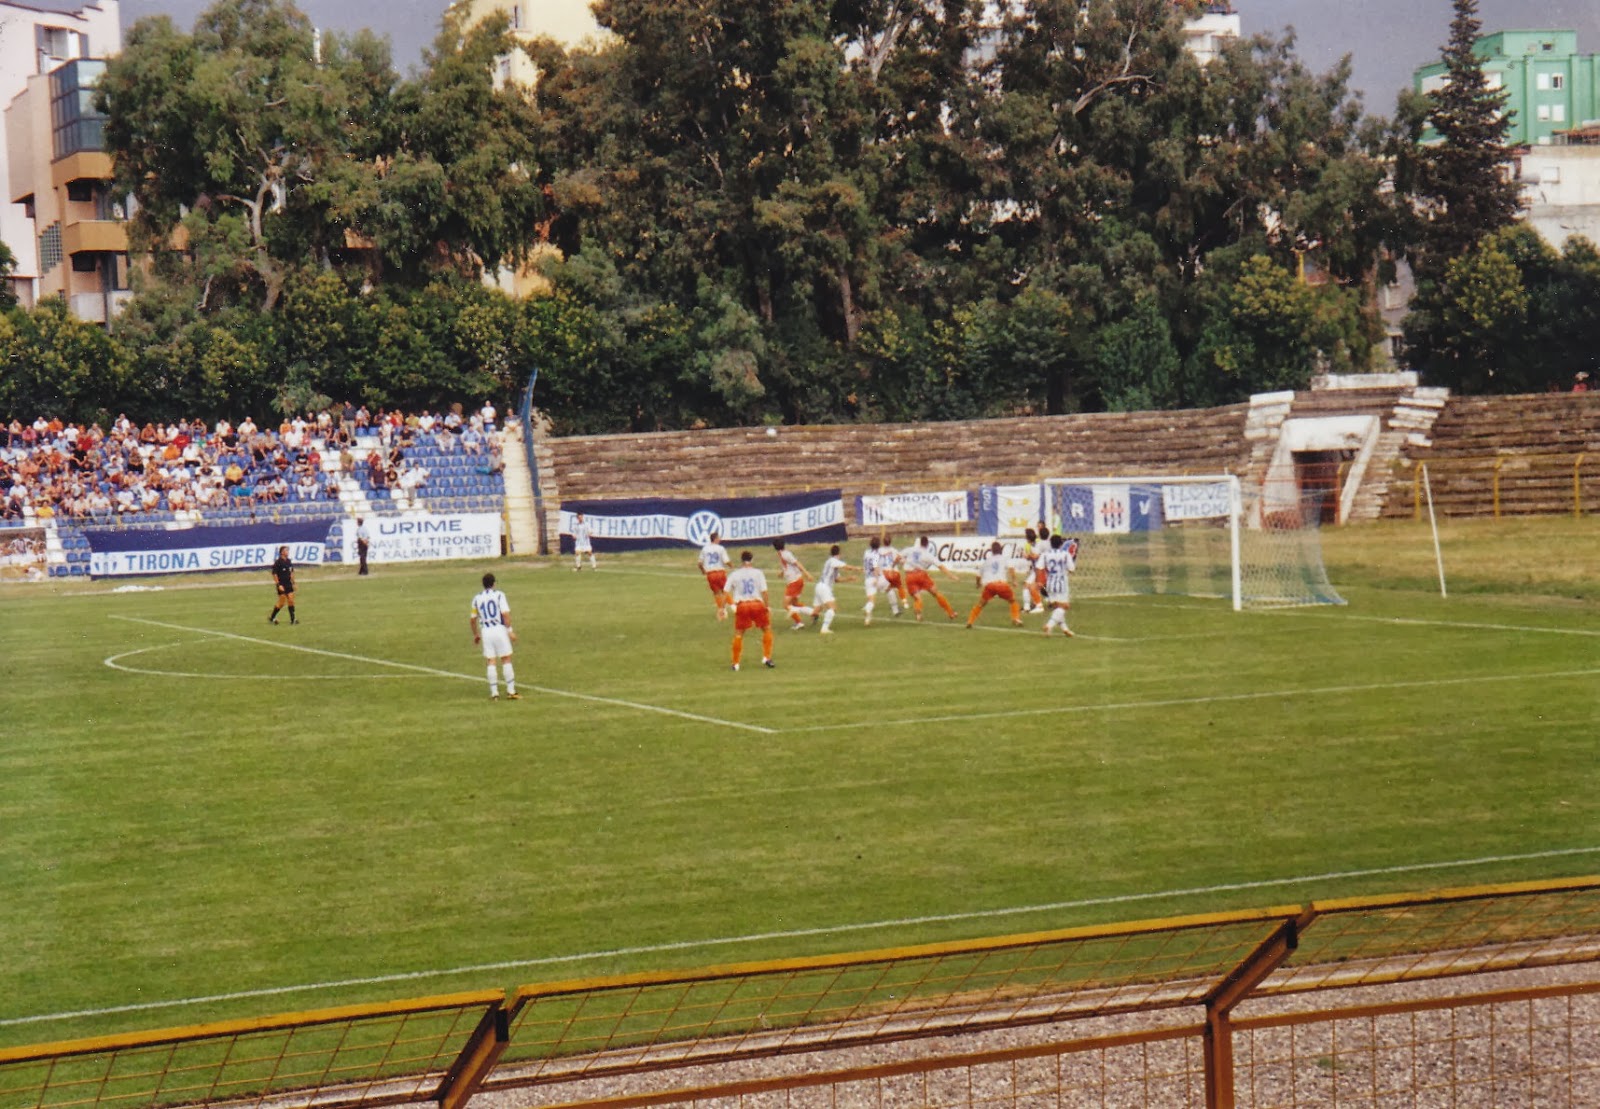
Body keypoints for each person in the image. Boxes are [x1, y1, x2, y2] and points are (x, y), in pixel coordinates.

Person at [470, 571, 519, 700]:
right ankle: (511, 691)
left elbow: (472, 619)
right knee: (506, 658)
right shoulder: (499, 595)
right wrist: (510, 630)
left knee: (491, 660)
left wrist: (476, 634)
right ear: (494, 583)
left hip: (486, 631)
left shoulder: (477, 598)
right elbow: (505, 614)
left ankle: (494, 693)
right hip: (499, 629)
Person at [725, 550, 775, 670]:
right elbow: (764, 591)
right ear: (752, 560)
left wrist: (722, 608)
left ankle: (736, 663)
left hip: (742, 605)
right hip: (757, 604)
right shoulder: (758, 573)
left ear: (741, 561)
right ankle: (767, 657)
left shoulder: (735, 574)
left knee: (739, 634)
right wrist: (767, 606)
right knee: (766, 629)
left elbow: (725, 591)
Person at [966, 540, 1023, 628]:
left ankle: (970, 621)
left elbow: (978, 575)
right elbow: (1011, 569)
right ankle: (1016, 619)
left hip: (990, 586)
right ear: (1001, 550)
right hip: (1002, 585)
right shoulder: (1004, 559)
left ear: (992, 551)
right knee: (1012, 601)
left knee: (981, 603)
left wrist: (978, 584)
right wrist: (1014, 581)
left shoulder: (987, 561)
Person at [903, 535, 958, 621]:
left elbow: (899, 556)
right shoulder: (928, 554)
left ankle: (918, 613)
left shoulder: (911, 549)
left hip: (909, 575)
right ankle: (950, 613)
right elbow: (940, 566)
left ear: (920, 543)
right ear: (927, 545)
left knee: (917, 597)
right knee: (935, 593)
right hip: (921, 575)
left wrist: (898, 563)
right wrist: (951, 575)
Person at [811, 544, 856, 634]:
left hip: (819, 586)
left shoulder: (829, 562)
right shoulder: (834, 561)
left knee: (816, 611)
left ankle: (798, 611)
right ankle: (824, 629)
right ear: (839, 553)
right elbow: (847, 567)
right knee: (832, 608)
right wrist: (857, 568)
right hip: (824, 587)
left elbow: (836, 579)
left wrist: (849, 578)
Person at [1041, 534, 1079, 637]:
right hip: (1061, 584)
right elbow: (1072, 569)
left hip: (1050, 583)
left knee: (1057, 608)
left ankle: (1065, 629)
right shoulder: (1065, 554)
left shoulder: (1045, 554)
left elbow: (1040, 568)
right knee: (1064, 606)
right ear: (1061, 544)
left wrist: (1040, 583)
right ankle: (1049, 625)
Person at [772, 538, 813, 628]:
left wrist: (807, 574)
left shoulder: (786, 555)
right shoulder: (782, 554)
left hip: (794, 582)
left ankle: (801, 620)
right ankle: (813, 614)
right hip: (797, 581)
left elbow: (797, 563)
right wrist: (782, 572)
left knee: (786, 605)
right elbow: (787, 565)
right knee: (794, 604)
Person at [861, 536, 901, 626]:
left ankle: (867, 617)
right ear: (879, 545)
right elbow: (875, 567)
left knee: (871, 600)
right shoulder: (876, 555)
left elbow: (875, 557)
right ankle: (895, 610)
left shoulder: (866, 552)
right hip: (877, 578)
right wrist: (876, 578)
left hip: (867, 579)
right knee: (890, 589)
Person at [697, 530, 732, 620]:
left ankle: (722, 611)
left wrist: (703, 571)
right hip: (720, 572)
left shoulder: (705, 549)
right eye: (719, 537)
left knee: (716, 593)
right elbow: (726, 561)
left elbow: (700, 563)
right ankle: (734, 607)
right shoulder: (720, 548)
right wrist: (731, 566)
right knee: (725, 591)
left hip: (711, 574)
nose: (720, 539)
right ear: (716, 539)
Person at [269, 545, 297, 625]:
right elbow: (274, 574)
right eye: (286, 550)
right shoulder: (278, 562)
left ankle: (293, 619)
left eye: (288, 550)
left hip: (288, 583)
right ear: (282, 552)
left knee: (291, 600)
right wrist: (278, 585)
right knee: (281, 602)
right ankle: (272, 617)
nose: (287, 552)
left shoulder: (289, 561)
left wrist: (293, 582)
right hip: (282, 584)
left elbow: (291, 572)